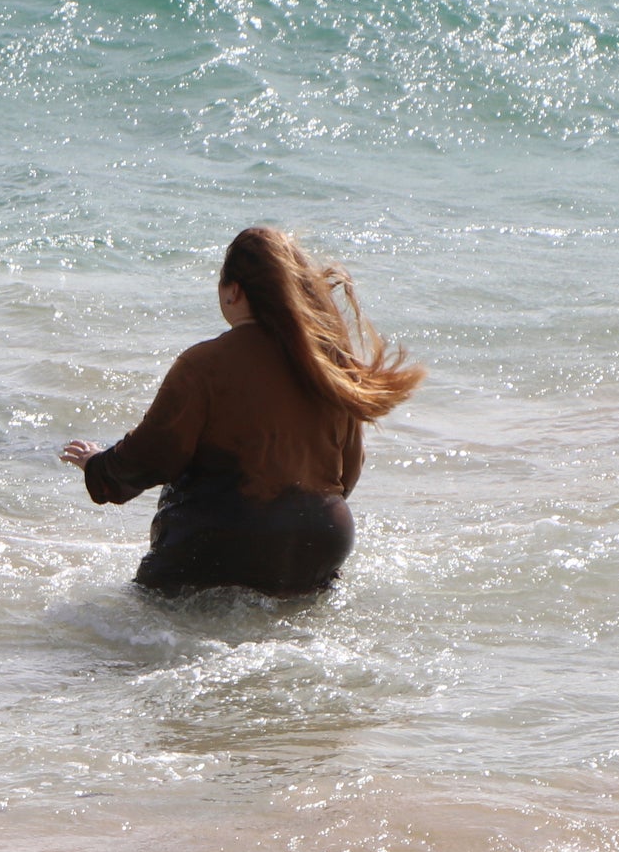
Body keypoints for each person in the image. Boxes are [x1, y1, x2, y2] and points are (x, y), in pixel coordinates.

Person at [57, 226, 421, 596]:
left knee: (134, 628)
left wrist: (100, 467)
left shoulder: (203, 365)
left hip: (221, 544)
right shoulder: (330, 365)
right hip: (318, 544)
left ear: (233, 291)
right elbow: (347, 475)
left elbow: (154, 455)